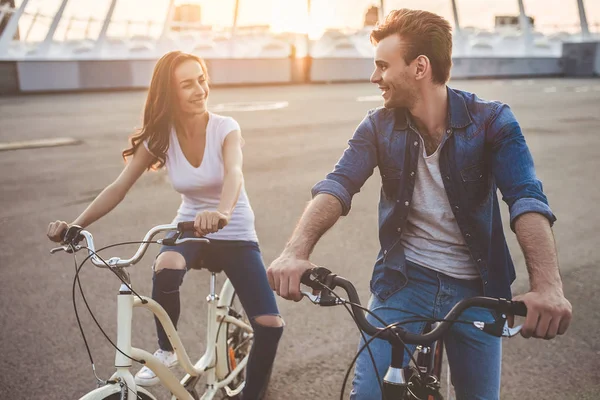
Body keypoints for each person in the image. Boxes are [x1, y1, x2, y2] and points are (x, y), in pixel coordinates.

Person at [267, 9, 572, 400]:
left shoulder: (492, 121)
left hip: (475, 289)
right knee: (368, 395)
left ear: (420, 67)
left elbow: (526, 198)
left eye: (382, 66)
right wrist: (295, 252)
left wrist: (548, 287)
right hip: (403, 282)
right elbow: (338, 185)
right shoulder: (378, 125)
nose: (374, 77)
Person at [47, 50, 283, 400]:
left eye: (201, 79)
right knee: (166, 264)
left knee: (269, 325)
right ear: (169, 94)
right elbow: (119, 186)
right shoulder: (162, 136)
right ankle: (167, 350)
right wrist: (75, 226)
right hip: (188, 229)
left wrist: (221, 212)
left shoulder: (225, 127)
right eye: (187, 84)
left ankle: (253, 395)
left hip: (233, 231)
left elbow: (235, 172)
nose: (200, 89)